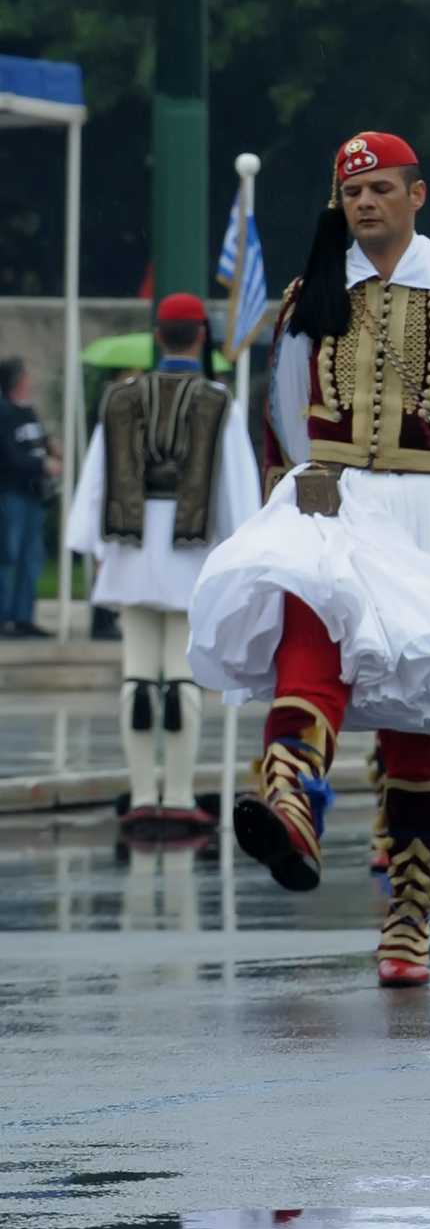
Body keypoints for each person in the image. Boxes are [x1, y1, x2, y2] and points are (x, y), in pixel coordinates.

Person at [189, 130, 430, 986]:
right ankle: (291, 799)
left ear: (416, 195)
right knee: (307, 647)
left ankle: (408, 920)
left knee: (419, 725)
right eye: (353, 193)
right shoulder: (310, 295)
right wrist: (287, 506)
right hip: (334, 505)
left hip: (429, 511)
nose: (365, 204)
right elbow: (281, 419)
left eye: (382, 189)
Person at [64, 295, 257, 837]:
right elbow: (236, 489)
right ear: (199, 335)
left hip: (129, 548)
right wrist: (243, 552)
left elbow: (97, 477)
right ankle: (176, 794)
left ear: (158, 335)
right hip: (191, 553)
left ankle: (144, 793)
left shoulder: (120, 399)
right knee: (182, 678)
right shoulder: (220, 402)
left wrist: (93, 549)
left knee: (136, 674)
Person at [0, 356, 56, 637]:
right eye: (25, 376)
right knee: (8, 557)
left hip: (33, 495)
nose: (29, 381)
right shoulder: (4, 412)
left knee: (30, 558)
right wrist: (41, 464)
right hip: (11, 494)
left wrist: (51, 449)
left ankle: (23, 617)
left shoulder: (27, 411)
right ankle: (5, 617)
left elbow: (39, 441)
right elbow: (8, 456)